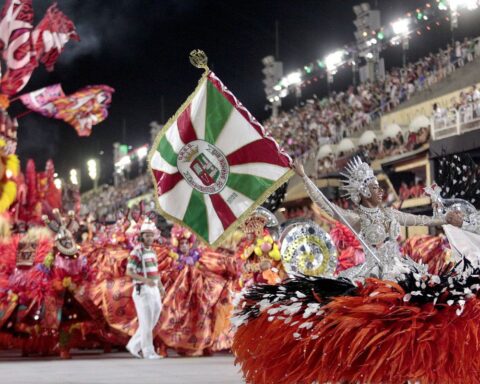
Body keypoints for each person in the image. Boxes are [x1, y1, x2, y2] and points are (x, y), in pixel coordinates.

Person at [292, 157, 463, 280]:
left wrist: (445, 219)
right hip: (375, 274)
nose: (381, 191)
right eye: (375, 187)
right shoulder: (357, 219)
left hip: (401, 267)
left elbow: (422, 220)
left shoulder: (390, 213)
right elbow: (325, 204)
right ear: (365, 192)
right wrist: (304, 177)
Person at [126, 219, 165, 359]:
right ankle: (148, 351)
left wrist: (160, 287)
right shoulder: (137, 252)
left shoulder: (152, 251)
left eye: (151, 235)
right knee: (146, 321)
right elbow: (129, 272)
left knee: (153, 320)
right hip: (142, 290)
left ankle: (134, 345)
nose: (149, 237)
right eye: (146, 235)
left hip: (154, 290)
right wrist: (145, 280)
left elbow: (156, 271)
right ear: (141, 236)